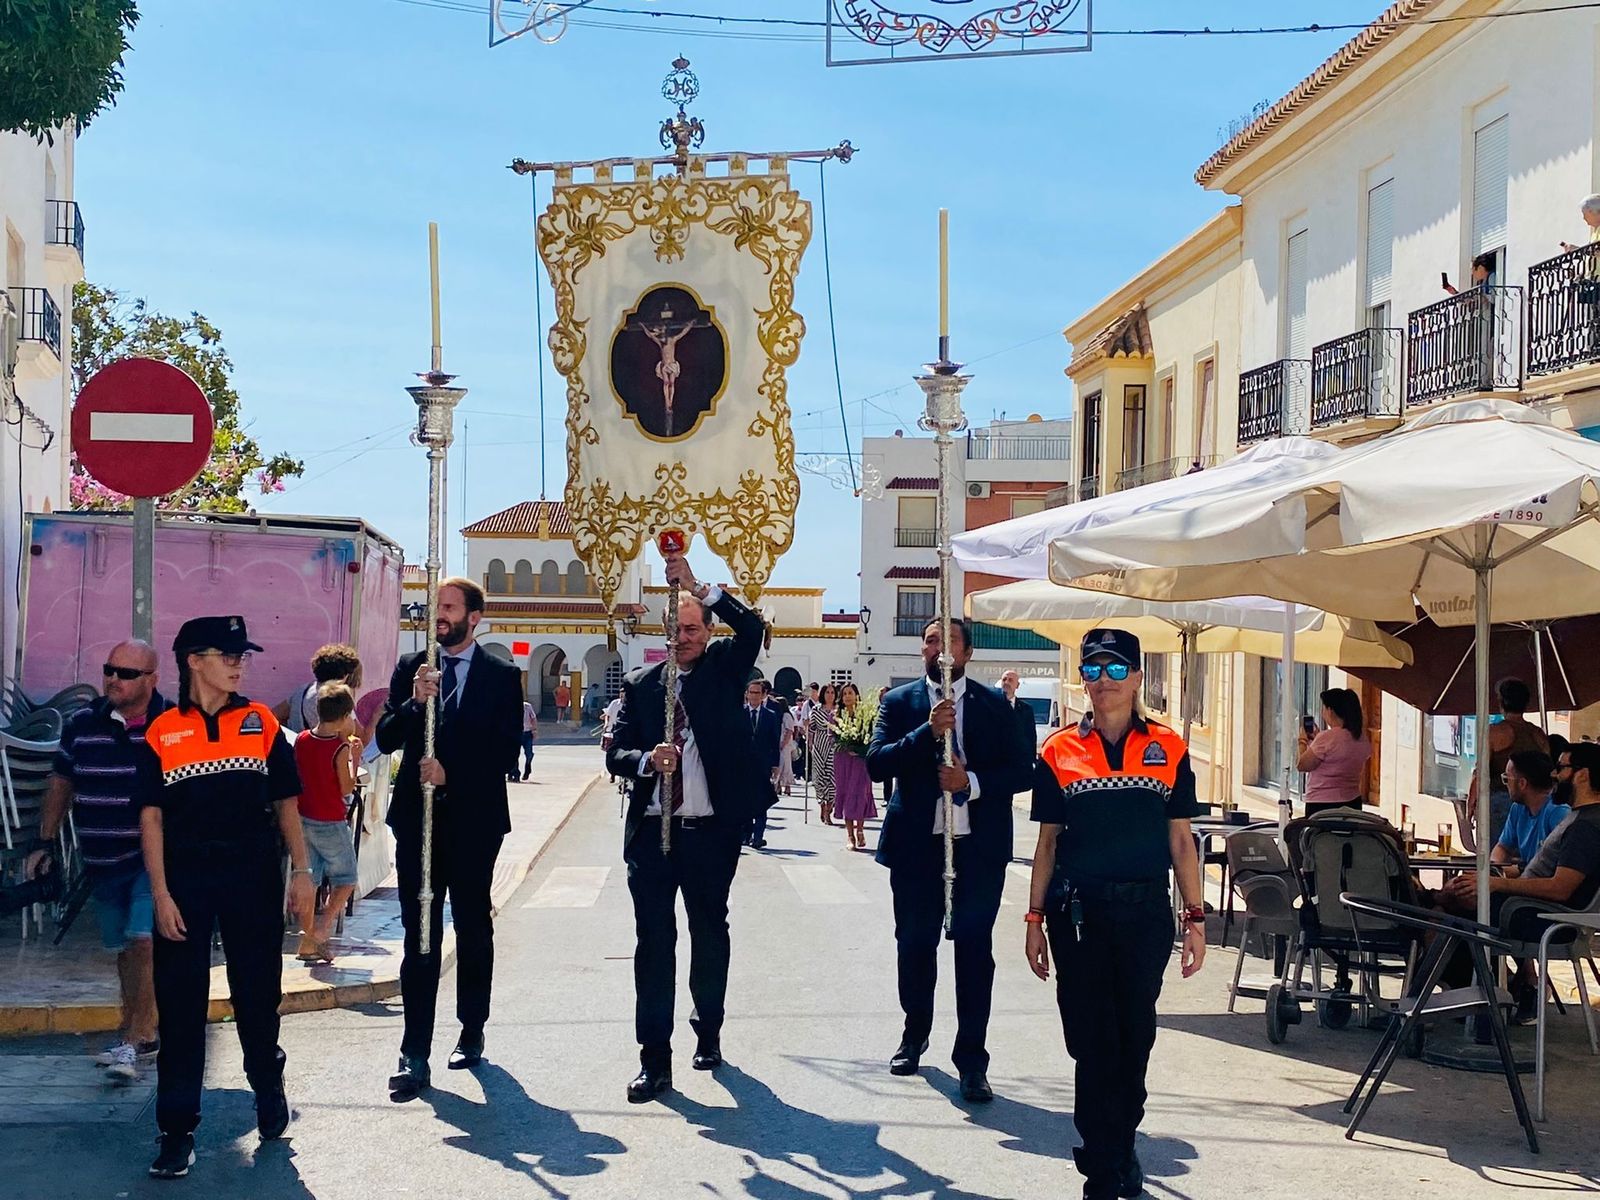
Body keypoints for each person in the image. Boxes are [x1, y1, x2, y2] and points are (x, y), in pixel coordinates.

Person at [1026, 628, 1206, 1200]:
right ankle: (1101, 1166)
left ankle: (1120, 1138)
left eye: (1114, 669)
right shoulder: (1057, 750)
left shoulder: (1170, 749)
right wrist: (1033, 920)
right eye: (1092, 670)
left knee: (1135, 1037)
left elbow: (1182, 842)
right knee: (1091, 1040)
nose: (1101, 681)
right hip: (1077, 916)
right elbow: (1048, 843)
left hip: (1143, 915)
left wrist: (1196, 918)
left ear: (1136, 677)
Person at [137, 617, 312, 1180]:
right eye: (227, 653)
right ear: (193, 659)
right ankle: (176, 1130)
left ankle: (268, 1084)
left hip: (252, 876)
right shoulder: (162, 731)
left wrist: (303, 873)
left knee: (257, 997)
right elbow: (151, 818)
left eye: (243, 654)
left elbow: (287, 803)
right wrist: (160, 894)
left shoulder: (260, 722)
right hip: (185, 881)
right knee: (182, 1007)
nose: (239, 663)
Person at [605, 554, 766, 1103]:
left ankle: (709, 1029)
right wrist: (647, 760)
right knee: (654, 941)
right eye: (675, 628)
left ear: (706, 631)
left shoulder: (724, 668)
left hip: (708, 831)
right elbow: (617, 753)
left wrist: (698, 585)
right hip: (652, 832)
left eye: (693, 628)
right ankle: (654, 1059)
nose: (683, 637)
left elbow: (754, 627)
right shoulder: (641, 683)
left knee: (707, 930)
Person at [866, 618, 1033, 1103]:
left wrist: (971, 783)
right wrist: (926, 731)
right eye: (932, 640)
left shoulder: (993, 708)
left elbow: (1022, 770)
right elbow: (878, 762)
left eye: (950, 641)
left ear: (968, 652)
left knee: (974, 952)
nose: (940, 649)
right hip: (918, 848)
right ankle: (913, 1033)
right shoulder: (899, 704)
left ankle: (972, 1060)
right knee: (915, 946)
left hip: (976, 850)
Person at [377, 576, 523, 1101]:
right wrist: (415, 703)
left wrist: (452, 773)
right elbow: (386, 737)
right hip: (418, 821)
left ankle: (471, 1027)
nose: (439, 615)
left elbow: (507, 751)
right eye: (436, 606)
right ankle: (414, 1050)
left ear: (474, 617)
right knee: (420, 930)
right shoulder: (411, 669)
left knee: (471, 923)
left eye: (449, 607)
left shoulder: (502, 676)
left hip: (475, 821)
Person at [26, 640, 167, 1083]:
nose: (113, 679)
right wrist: (44, 844)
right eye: (110, 669)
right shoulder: (82, 723)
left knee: (143, 941)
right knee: (125, 950)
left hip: (153, 858)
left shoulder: (171, 725)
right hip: (102, 859)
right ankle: (142, 1028)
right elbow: (62, 782)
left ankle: (137, 1036)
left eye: (126, 673)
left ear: (151, 680)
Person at [1442, 741, 1600, 1020]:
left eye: (1561, 768)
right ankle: (1484, 993)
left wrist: (1498, 884)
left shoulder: (1585, 826)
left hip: (1550, 918)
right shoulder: (1580, 818)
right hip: (1536, 909)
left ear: (1583, 774)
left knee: (1451, 910)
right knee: (1451, 907)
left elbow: (1560, 888)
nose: (1554, 775)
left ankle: (1483, 997)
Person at [290, 682, 363, 965]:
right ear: (345, 716)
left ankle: (307, 940)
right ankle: (322, 929)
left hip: (303, 818)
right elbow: (346, 788)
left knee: (311, 879)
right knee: (347, 879)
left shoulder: (302, 740)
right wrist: (353, 760)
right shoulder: (339, 747)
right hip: (330, 820)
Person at [1468, 677, 1549, 847]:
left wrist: (1471, 803)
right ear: (1526, 704)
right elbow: (1548, 771)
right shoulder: (1538, 735)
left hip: (1501, 801)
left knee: (1497, 858)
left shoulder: (1495, 733)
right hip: (1534, 803)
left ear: (1501, 702)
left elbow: (1481, 772)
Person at [1297, 687, 1373, 814]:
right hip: (1352, 801)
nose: (1322, 712)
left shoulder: (1326, 738)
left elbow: (1302, 765)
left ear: (1330, 710)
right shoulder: (1361, 737)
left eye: (1324, 708)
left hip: (1322, 803)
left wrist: (1302, 741)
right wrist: (1317, 741)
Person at [1494, 750, 1568, 872]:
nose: (1505, 785)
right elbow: (1503, 847)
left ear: (1522, 783)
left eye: (1507, 779)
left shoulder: (1558, 812)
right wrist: (1496, 870)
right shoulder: (1518, 809)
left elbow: (1556, 868)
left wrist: (1510, 874)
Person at [274, 643, 362, 734]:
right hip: (325, 748)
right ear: (344, 675)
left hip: (297, 744)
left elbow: (274, 715)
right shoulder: (338, 700)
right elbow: (361, 739)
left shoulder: (302, 691)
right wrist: (375, 717)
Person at [832, 682, 878, 851]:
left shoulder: (866, 715)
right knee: (845, 792)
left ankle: (860, 829)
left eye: (850, 693)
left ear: (856, 695)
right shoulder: (837, 715)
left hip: (860, 760)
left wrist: (861, 749)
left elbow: (871, 735)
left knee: (860, 792)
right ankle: (850, 835)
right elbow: (834, 738)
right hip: (843, 759)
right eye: (844, 694)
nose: (847, 696)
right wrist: (846, 746)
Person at [744, 678, 782, 850]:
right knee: (743, 801)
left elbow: (774, 742)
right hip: (742, 766)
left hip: (762, 766)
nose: (753, 696)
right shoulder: (739, 713)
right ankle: (745, 835)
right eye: (750, 692)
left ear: (763, 695)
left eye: (757, 693)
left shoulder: (770, 716)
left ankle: (758, 837)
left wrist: (775, 765)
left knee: (760, 802)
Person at [808, 684, 839, 825]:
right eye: (827, 692)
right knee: (819, 778)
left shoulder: (839, 710)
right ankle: (822, 805)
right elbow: (811, 728)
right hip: (819, 746)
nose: (830, 695)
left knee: (833, 779)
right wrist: (809, 742)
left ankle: (830, 806)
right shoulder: (816, 710)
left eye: (832, 692)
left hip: (834, 747)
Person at [775, 696, 800, 796]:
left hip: (785, 744)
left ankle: (788, 787)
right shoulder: (779, 715)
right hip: (779, 742)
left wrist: (783, 743)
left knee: (786, 765)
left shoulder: (787, 716)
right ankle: (778, 786)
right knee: (779, 765)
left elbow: (789, 730)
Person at [512, 698, 537, 782]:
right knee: (514, 754)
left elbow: (533, 718)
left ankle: (528, 768)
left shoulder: (527, 706)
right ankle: (515, 774)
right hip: (516, 733)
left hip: (527, 732)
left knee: (529, 753)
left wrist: (534, 730)